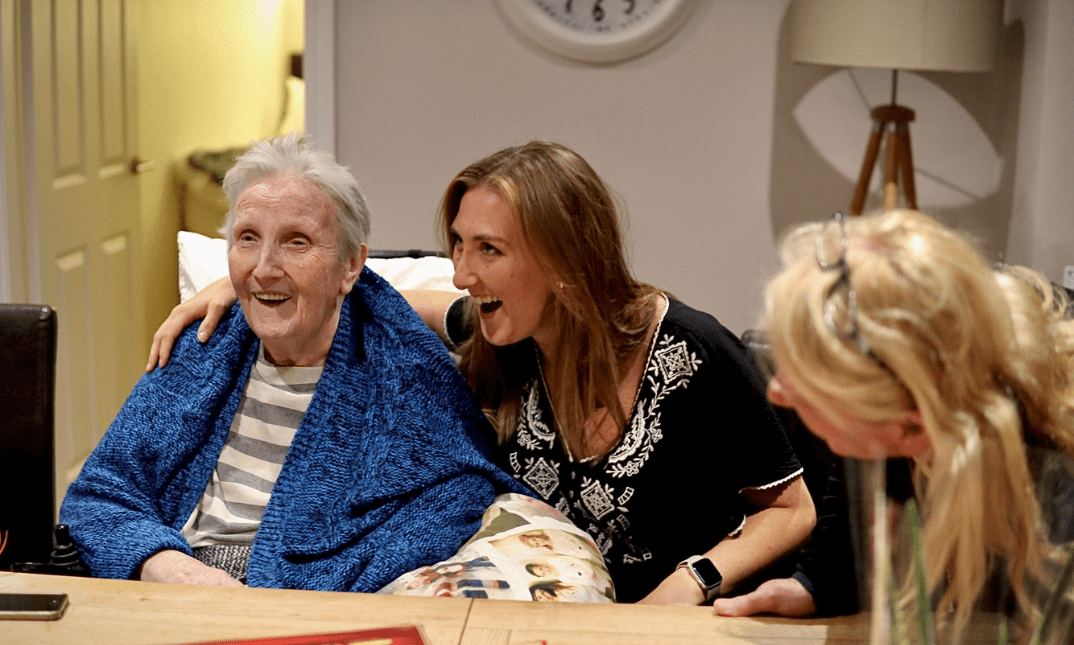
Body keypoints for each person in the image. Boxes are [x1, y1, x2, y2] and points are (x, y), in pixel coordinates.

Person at [148, 140, 816, 605]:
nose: (463, 273)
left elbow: (791, 508)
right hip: (545, 609)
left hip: (675, 619)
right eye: (460, 246)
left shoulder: (689, 351)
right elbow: (380, 292)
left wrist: (691, 581)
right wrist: (250, 284)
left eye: (488, 250)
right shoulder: (506, 331)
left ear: (562, 258)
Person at [61, 134, 525, 591]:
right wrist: (165, 565)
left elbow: (460, 492)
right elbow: (99, 494)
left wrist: (291, 591)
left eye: (296, 242)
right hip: (175, 584)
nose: (264, 268)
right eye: (247, 238)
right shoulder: (201, 348)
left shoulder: (402, 370)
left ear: (350, 266)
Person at [713, 209, 1074, 636]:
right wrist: (815, 584)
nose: (777, 392)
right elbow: (862, 465)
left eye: (808, 384)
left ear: (911, 426)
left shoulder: (1053, 488)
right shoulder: (927, 406)